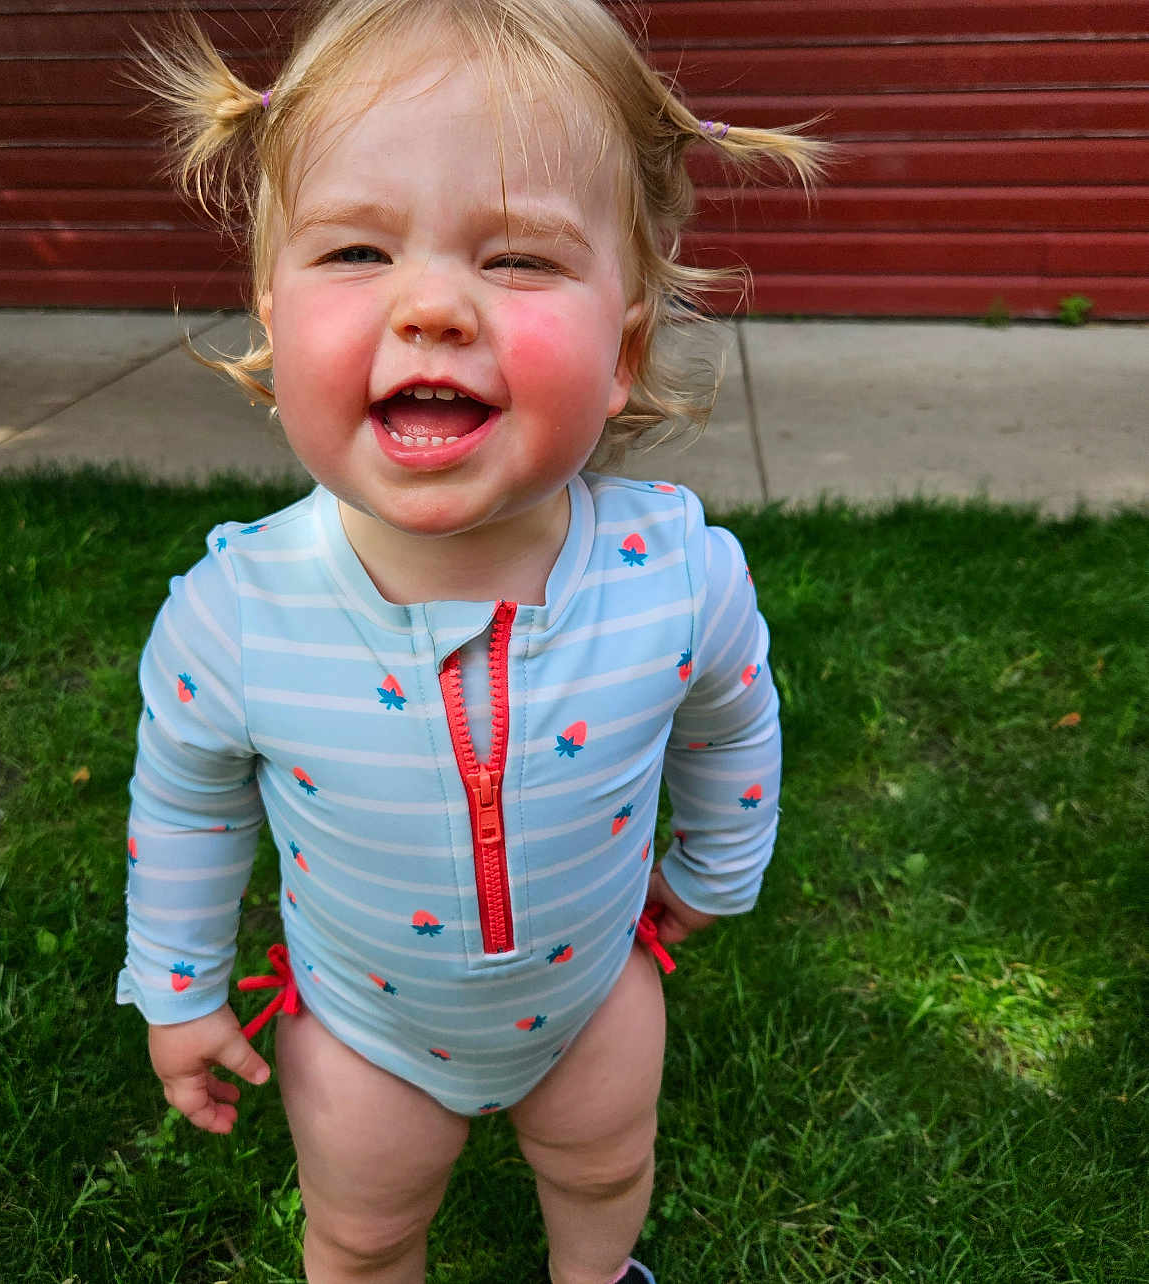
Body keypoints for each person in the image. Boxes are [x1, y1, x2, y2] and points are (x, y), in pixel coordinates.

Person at [118, 2, 828, 1280]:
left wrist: (716, 871)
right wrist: (176, 984)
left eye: (516, 261)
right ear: (272, 321)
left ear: (624, 349)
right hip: (362, 1027)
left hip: (596, 996)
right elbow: (184, 804)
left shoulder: (676, 580)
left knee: (606, 1167)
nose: (435, 305)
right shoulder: (236, 616)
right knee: (364, 1229)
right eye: (355, 252)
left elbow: (735, 715)